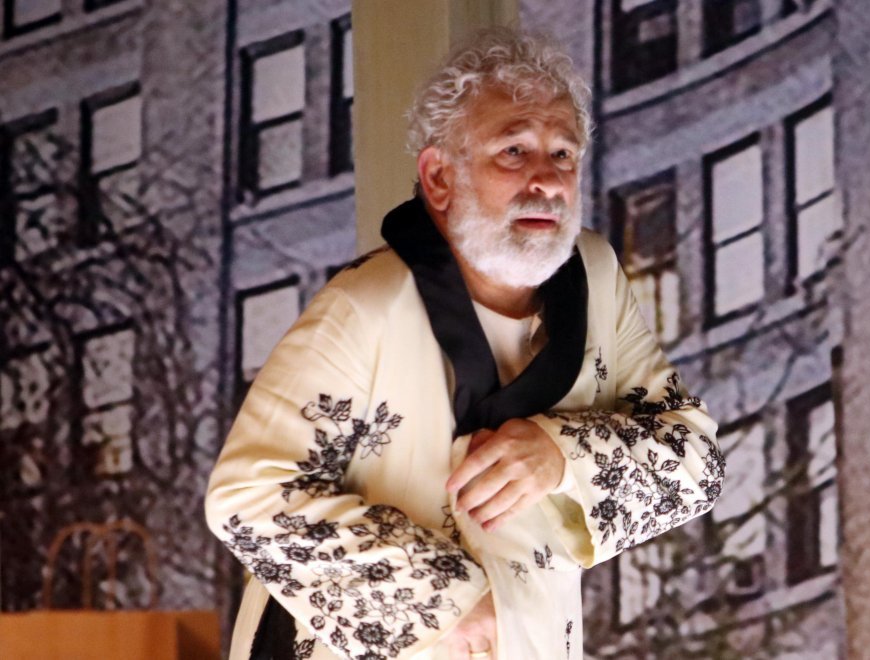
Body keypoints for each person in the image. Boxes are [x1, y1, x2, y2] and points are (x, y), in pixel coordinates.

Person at [204, 28, 723, 660]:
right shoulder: (366, 305)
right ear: (439, 177)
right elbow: (248, 498)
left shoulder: (597, 277)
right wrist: (437, 601)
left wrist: (560, 455)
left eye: (563, 153)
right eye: (513, 151)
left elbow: (696, 463)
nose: (546, 180)